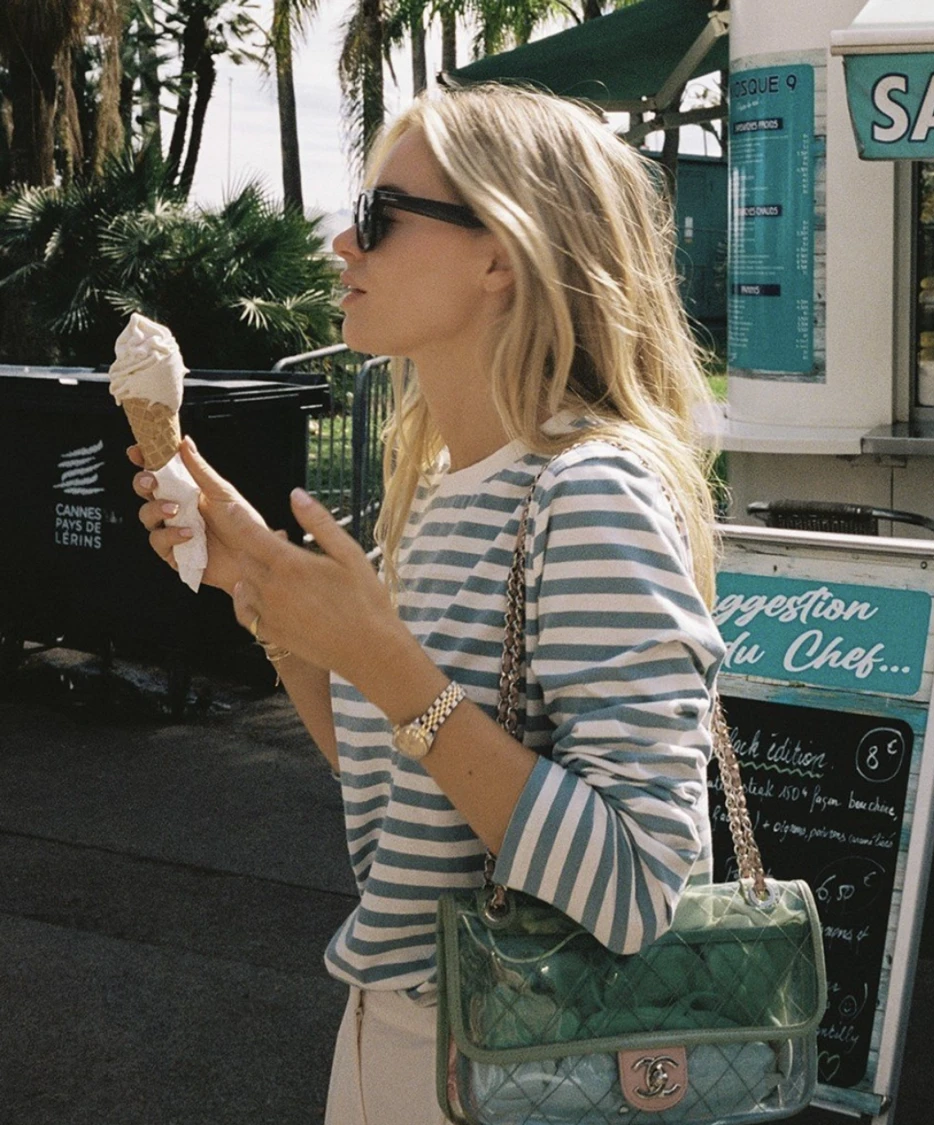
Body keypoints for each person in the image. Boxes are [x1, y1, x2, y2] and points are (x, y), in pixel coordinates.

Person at [130, 83, 727, 1125]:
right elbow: (411, 787)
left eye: (378, 216)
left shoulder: (590, 493)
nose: (341, 244)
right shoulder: (444, 493)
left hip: (533, 1057)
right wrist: (261, 591)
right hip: (402, 1036)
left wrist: (387, 662)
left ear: (501, 256)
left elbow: (641, 888)